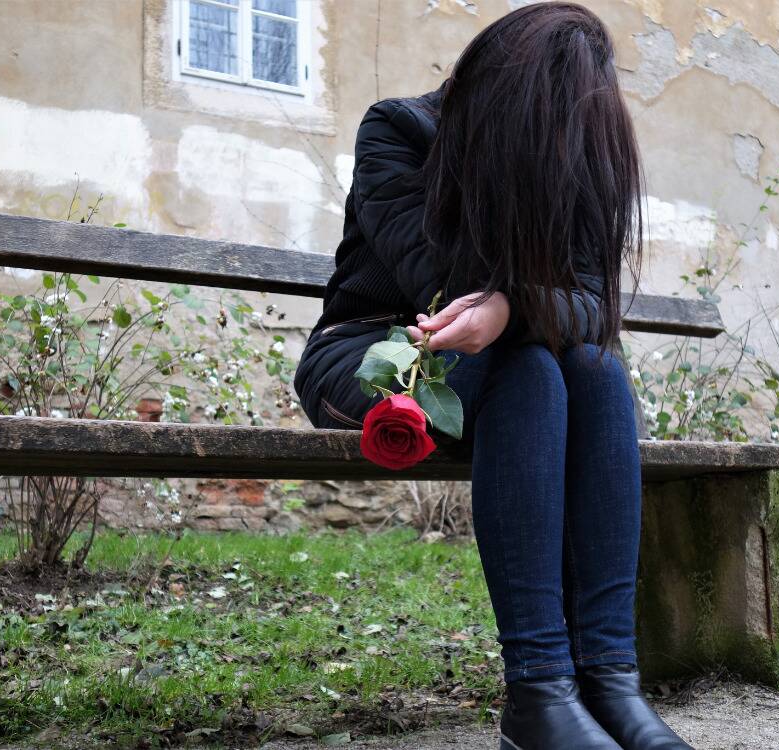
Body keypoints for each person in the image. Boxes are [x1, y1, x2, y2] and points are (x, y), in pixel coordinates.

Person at [292, 4, 692, 749]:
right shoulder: (400, 130)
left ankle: (610, 680)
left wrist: (516, 307)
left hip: (502, 353)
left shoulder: (568, 162)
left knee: (596, 369)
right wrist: (522, 301)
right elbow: (437, 280)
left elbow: (594, 308)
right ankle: (537, 690)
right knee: (531, 370)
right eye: (550, 126)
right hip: (373, 352)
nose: (562, 145)